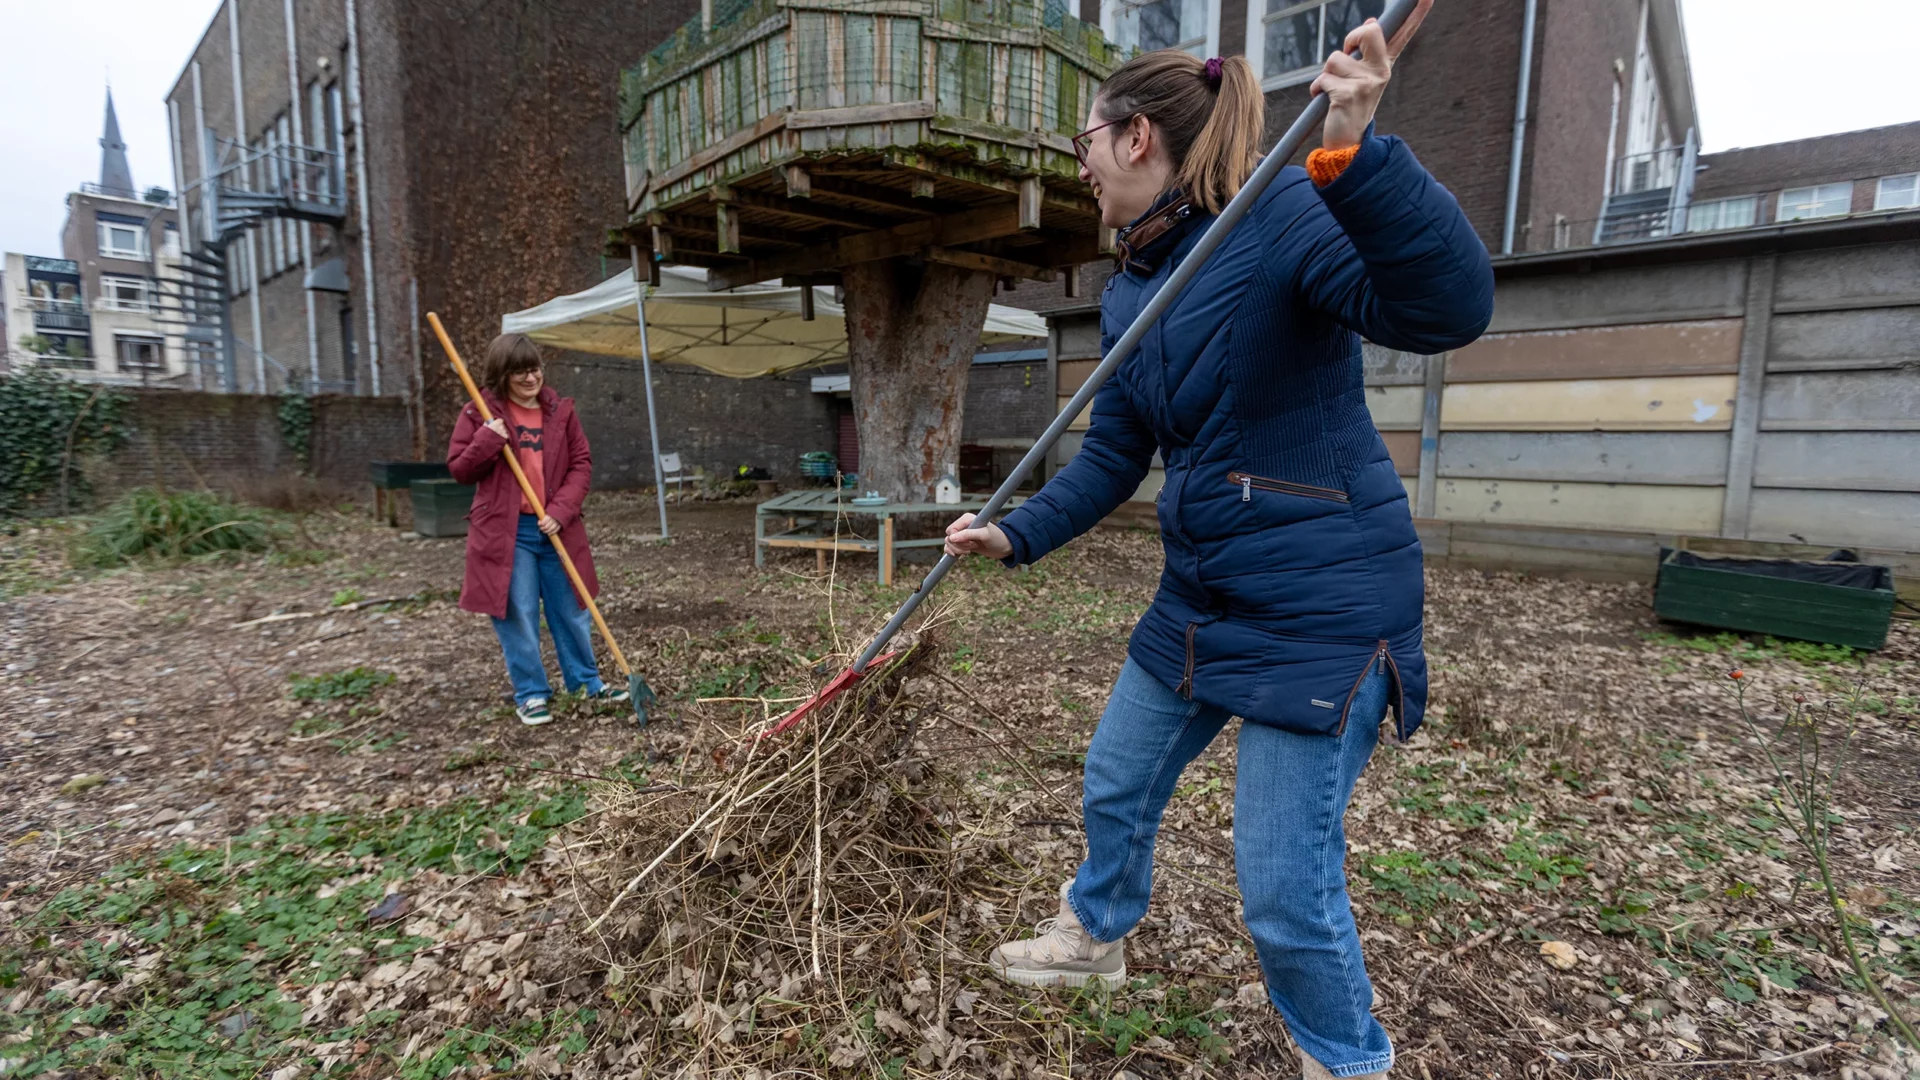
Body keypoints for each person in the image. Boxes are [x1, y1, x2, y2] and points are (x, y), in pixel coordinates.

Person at [942, 7, 1491, 1078]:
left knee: (1286, 897)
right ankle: (1095, 936)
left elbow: (1447, 308)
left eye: (1084, 144)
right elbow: (1114, 454)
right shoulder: (1136, 288)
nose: (1083, 167)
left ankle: (1349, 1062)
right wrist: (1015, 534)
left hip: (1326, 609)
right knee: (1116, 781)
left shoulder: (1281, 214)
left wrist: (1357, 154)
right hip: (1203, 595)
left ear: (1137, 136)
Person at [448, 333, 627, 726]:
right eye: (520, 372)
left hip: (556, 528)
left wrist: (561, 511)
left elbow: (581, 462)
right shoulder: (479, 413)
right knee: (518, 611)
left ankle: (586, 684)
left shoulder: (559, 412)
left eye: (535, 369)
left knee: (572, 608)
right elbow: (460, 469)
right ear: (502, 374)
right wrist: (486, 440)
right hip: (508, 532)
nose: (531, 378)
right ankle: (531, 694)